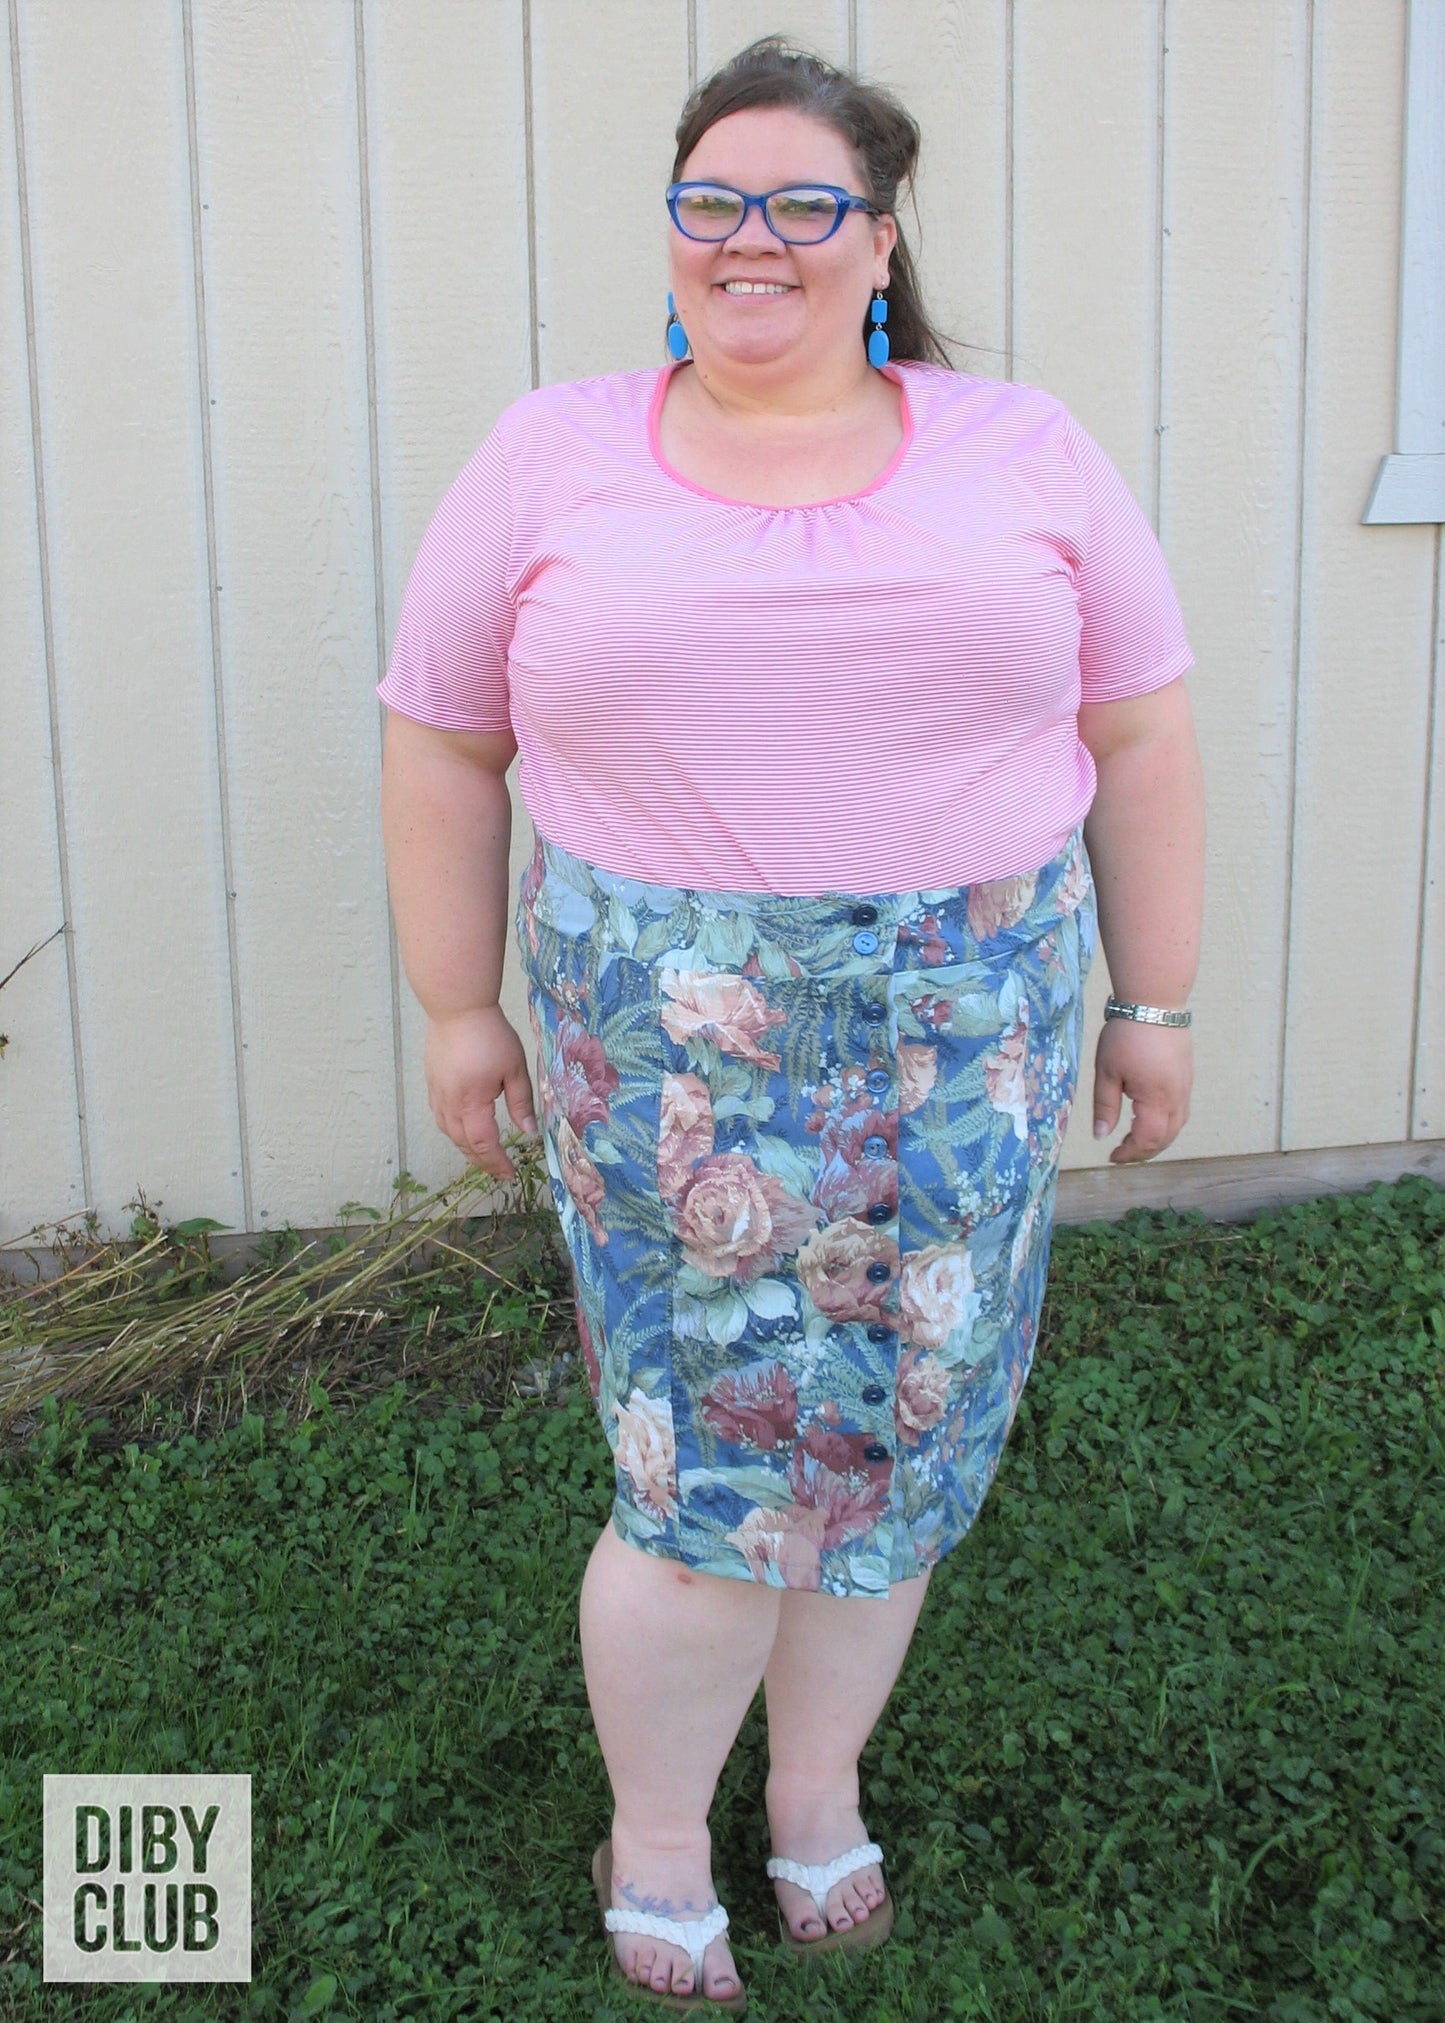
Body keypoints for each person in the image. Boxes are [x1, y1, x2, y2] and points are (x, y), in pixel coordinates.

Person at [378, 34, 1205, 2013]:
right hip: (665, 1048)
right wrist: (453, 1006)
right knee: (703, 1461)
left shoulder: (1025, 447)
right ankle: (660, 1827)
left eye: (802, 201)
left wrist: (1156, 1000)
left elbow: (1142, 729)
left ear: (881, 235)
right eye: (712, 199)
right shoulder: (551, 450)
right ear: (672, 232)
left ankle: (815, 1781)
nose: (753, 237)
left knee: (904, 1436)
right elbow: (441, 741)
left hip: (967, 1038)